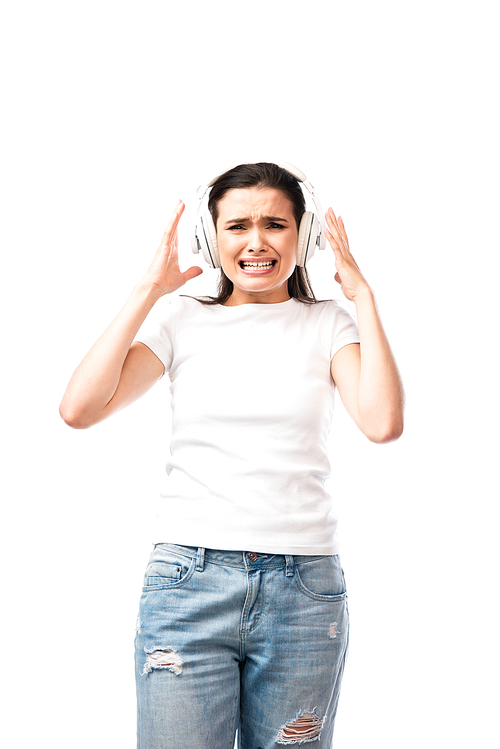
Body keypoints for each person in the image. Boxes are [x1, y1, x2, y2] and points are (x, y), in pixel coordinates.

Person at [60, 162, 404, 748]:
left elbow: (383, 423)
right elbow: (79, 408)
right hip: (188, 583)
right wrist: (150, 289)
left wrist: (363, 295)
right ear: (210, 235)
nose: (256, 242)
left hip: (304, 592)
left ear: (306, 233)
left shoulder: (329, 324)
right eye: (237, 225)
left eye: (275, 224)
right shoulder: (180, 319)